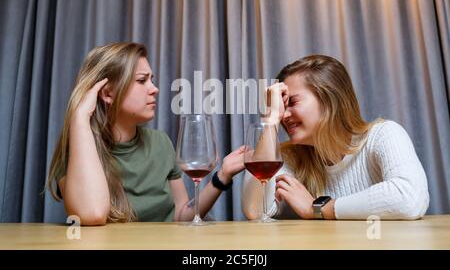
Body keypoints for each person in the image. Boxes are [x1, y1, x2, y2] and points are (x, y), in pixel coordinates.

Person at [47, 42, 245, 225]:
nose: (155, 89)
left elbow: (181, 216)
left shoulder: (161, 143)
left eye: (151, 79)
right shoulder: (77, 152)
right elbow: (92, 213)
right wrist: (80, 117)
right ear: (107, 93)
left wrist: (222, 176)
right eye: (142, 80)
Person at [242, 55, 429, 220]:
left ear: (329, 100)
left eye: (292, 102)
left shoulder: (384, 135)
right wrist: (270, 120)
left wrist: (318, 208)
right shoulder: (289, 157)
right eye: (281, 106)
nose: (284, 115)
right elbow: (256, 211)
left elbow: (410, 197)